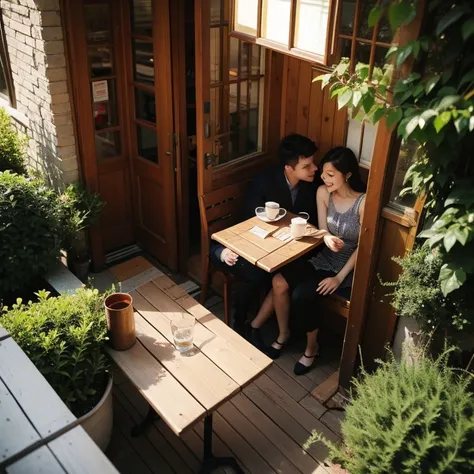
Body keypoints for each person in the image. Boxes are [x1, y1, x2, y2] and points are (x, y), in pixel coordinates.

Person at [249, 146, 366, 374]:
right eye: (323, 172)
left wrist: (338, 278)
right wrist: (329, 238)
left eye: (331, 175)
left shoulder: (363, 203)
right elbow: (323, 230)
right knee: (279, 281)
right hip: (323, 256)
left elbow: (364, 246)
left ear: (348, 175)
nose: (324, 178)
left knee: (302, 295)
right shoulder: (323, 192)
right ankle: (283, 334)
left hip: (347, 266)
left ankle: (312, 348)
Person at [210, 133, 320, 337]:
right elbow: (250, 220)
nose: (314, 169)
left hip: (291, 246)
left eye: (313, 163)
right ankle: (240, 320)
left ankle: (273, 327)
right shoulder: (265, 181)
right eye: (307, 166)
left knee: (283, 275)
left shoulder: (312, 184)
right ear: (289, 168)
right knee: (256, 273)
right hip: (258, 240)